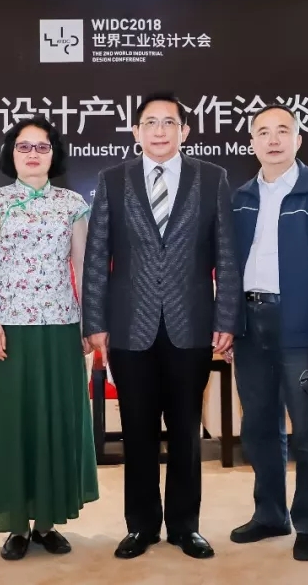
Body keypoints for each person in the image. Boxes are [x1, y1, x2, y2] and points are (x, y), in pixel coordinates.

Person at [82, 92, 241, 560]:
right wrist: (95, 322)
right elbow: (97, 256)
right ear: (136, 131)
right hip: (129, 326)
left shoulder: (211, 178)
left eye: (169, 122)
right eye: (150, 122)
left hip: (191, 324)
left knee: (187, 430)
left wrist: (226, 317)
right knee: (138, 430)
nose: (159, 130)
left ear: (184, 131)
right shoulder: (113, 180)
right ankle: (141, 526)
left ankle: (185, 527)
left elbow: (227, 254)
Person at [0, 116, 100, 559]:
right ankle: (16, 525)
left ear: (53, 154)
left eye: (42, 147)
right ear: (11, 153)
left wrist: (87, 321)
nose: (32, 154)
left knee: (54, 422)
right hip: (10, 331)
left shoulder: (72, 204)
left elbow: (82, 265)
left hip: (61, 329)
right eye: (23, 146)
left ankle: (46, 521)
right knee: (12, 425)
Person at [228, 104, 308, 561]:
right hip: (250, 322)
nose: (273, 139)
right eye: (263, 132)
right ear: (252, 143)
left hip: (300, 326)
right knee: (258, 425)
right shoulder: (240, 196)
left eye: (283, 131)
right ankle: (270, 514)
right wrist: (227, 323)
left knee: (307, 430)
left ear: (298, 140)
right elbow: (226, 264)